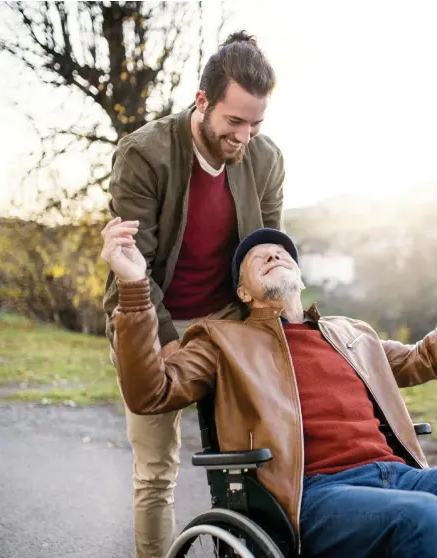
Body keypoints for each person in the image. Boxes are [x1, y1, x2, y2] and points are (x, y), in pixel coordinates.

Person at [101, 217, 437, 558]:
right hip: (316, 493)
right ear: (244, 292)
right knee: (425, 516)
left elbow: (422, 358)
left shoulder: (353, 334)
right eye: (259, 257)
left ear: (301, 280)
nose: (274, 256)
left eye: (281, 252)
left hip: (401, 475)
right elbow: (151, 392)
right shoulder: (224, 341)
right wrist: (133, 287)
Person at [103, 31, 285, 557]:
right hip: (147, 314)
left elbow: (266, 252)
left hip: (225, 317)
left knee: (250, 459)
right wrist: (166, 343)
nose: (244, 137)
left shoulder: (266, 159)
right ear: (202, 101)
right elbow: (133, 270)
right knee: (157, 468)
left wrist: (279, 323)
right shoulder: (145, 153)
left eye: (255, 124)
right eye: (234, 122)